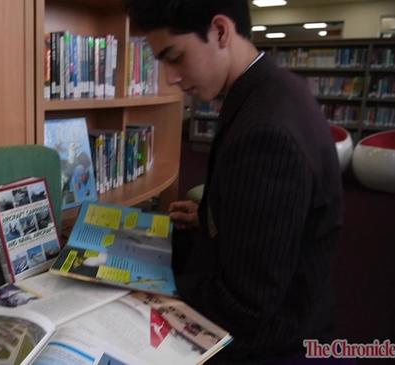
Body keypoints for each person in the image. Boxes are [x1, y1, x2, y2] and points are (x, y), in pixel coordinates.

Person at [123, 1, 343, 364]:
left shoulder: (266, 132)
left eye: (174, 57)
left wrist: (135, 292)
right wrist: (218, 213)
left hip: (273, 340)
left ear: (221, 32)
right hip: (285, 303)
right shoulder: (273, 87)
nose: (169, 78)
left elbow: (245, 306)